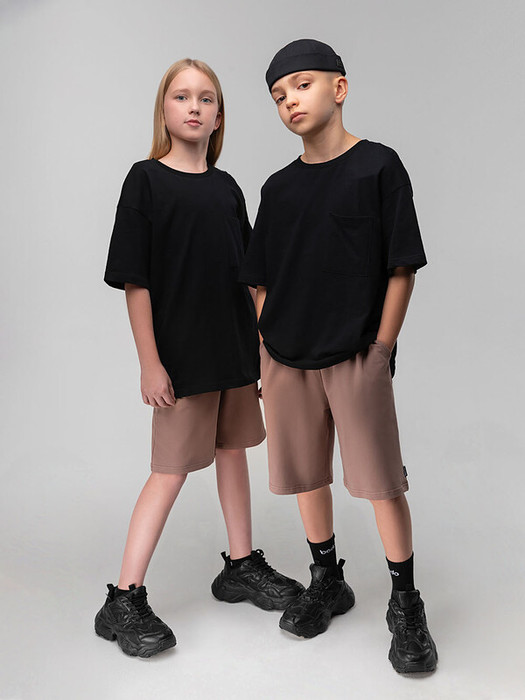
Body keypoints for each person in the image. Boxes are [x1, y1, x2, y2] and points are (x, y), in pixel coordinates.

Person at [239, 39, 438, 674]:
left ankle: (406, 603)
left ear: (339, 88)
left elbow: (401, 265)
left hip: (356, 352)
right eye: (278, 96)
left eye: (301, 85)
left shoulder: (378, 166)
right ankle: (326, 578)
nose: (290, 102)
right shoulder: (277, 188)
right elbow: (258, 277)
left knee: (380, 480)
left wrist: (381, 348)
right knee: (306, 474)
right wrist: (266, 345)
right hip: (286, 356)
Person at [95, 58, 304, 658]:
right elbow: (136, 282)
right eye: (182, 96)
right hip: (181, 358)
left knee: (233, 451)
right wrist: (150, 362)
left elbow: (249, 277)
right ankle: (123, 596)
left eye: (206, 98)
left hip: (234, 349)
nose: (194, 106)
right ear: (164, 109)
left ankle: (240, 565)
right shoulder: (145, 181)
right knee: (171, 470)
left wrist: (262, 347)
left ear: (218, 117)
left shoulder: (227, 188)